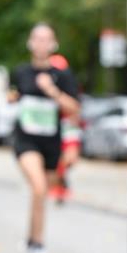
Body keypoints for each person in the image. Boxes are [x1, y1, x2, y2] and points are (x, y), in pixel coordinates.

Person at [9, 23, 80, 253]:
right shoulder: (20, 72)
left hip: (51, 143)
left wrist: (52, 92)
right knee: (39, 187)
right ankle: (38, 246)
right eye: (36, 39)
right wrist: (12, 98)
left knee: (40, 194)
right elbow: (12, 94)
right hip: (25, 140)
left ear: (53, 45)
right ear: (30, 43)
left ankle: (30, 240)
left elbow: (74, 109)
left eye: (46, 40)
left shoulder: (63, 76)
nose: (41, 44)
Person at [47, 53, 80, 204]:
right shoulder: (45, 83)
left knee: (70, 158)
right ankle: (58, 186)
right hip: (52, 126)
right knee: (55, 158)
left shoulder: (70, 84)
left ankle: (62, 178)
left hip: (67, 124)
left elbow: (75, 106)